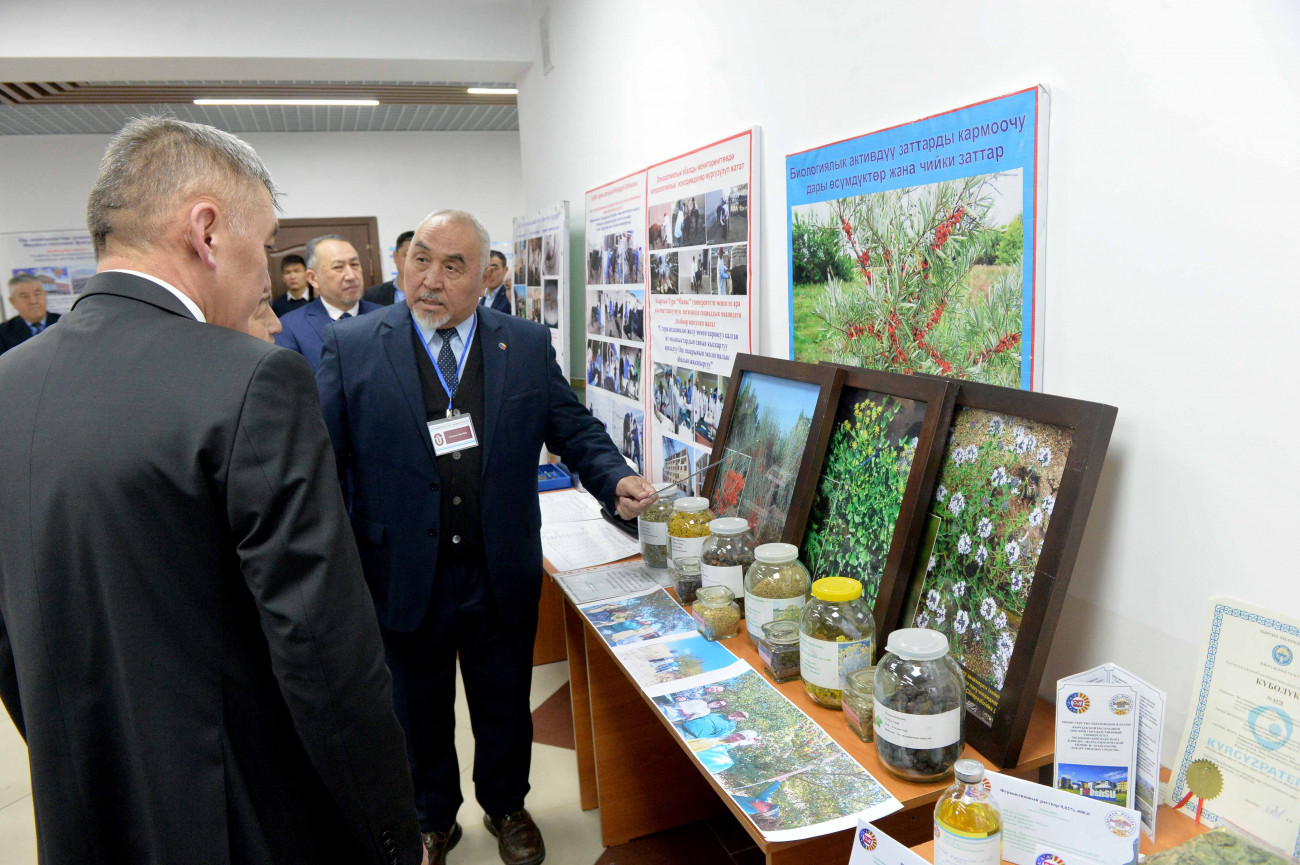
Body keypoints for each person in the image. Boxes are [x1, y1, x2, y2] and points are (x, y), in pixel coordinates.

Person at [0, 116, 426, 865]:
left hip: (83, 811)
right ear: (206, 231)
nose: (266, 276)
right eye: (263, 245)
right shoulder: (250, 380)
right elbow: (323, 652)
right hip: (245, 823)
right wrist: (390, 831)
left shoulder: (9, 384)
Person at [316, 209, 658, 865]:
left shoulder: (523, 344)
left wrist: (614, 478)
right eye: (421, 259)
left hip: (498, 564)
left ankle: (506, 806)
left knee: (503, 700)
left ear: (485, 277)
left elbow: (573, 427)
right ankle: (430, 817)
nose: (431, 279)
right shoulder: (353, 345)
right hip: (401, 569)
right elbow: (325, 461)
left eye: (453, 266)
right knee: (416, 708)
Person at [275, 234, 381, 373]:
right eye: (338, 267)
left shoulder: (385, 317)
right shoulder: (290, 327)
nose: (351, 276)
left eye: (354, 265)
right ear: (313, 278)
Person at [0, 274, 60, 355]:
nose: (33, 301)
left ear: (45, 295)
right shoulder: (3, 332)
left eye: (37, 294)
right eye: (25, 296)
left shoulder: (63, 323)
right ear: (12, 301)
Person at [365, 230, 415, 306]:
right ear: (395, 256)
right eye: (407, 254)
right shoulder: (372, 296)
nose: (413, 261)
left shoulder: (433, 293)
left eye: (420, 257)